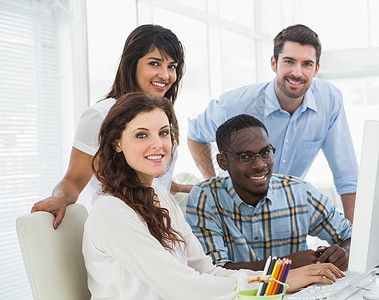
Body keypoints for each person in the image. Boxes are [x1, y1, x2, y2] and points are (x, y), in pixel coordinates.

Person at [82, 92, 344, 299]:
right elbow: (185, 289)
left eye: (164, 132)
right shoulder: (111, 212)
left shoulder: (160, 198)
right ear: (116, 143)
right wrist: (282, 279)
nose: (158, 144)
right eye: (141, 135)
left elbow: (206, 271)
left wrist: (277, 280)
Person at [187, 24, 358, 222]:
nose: (297, 72)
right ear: (273, 63)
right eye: (289, 61)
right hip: (236, 213)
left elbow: (347, 177)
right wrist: (213, 184)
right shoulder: (236, 105)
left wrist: (354, 239)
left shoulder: (329, 100)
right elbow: (195, 135)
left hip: (287, 213)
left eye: (307, 64)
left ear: (316, 69)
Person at [31, 24, 192, 229]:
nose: (165, 75)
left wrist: (181, 188)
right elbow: (73, 180)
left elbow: (154, 180)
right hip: (121, 226)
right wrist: (60, 198)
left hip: (161, 227)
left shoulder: (163, 114)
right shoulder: (100, 115)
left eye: (172, 66)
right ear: (131, 64)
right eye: (154, 63)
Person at [186, 114, 352, 272]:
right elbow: (211, 271)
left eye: (265, 152)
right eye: (246, 156)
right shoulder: (206, 197)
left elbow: (353, 237)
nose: (259, 165)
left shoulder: (299, 192)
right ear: (223, 162)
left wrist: (343, 253)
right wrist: (284, 265)